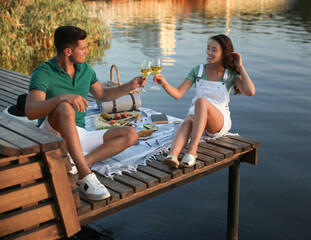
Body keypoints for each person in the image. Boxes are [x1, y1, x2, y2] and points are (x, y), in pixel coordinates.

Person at [26, 26, 146, 201]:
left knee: (131, 134)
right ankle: (85, 176)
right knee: (65, 107)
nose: (87, 51)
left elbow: (103, 95)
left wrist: (130, 86)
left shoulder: (85, 70)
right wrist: (62, 98)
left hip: (78, 134)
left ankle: (76, 163)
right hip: (51, 134)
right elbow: (31, 111)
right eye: (83, 48)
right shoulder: (43, 73)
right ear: (68, 51)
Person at [154, 34, 255, 168]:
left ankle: (192, 150)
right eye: (208, 48)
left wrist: (240, 67)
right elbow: (178, 94)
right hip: (197, 120)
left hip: (218, 122)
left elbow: (250, 91)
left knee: (201, 102)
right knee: (189, 119)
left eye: (214, 49)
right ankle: (173, 155)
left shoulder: (230, 74)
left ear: (224, 53)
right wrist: (164, 83)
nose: (209, 52)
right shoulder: (198, 70)